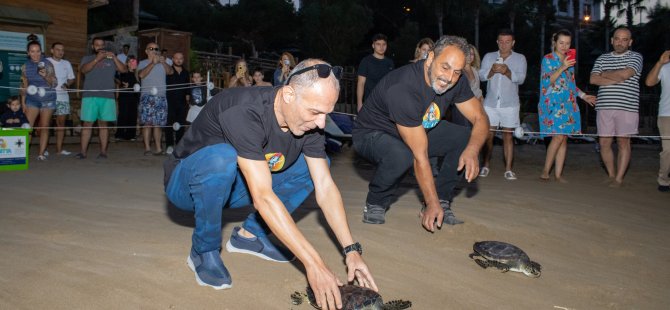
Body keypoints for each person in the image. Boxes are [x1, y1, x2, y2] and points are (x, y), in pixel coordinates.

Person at [163, 59, 377, 310]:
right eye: (315, 112)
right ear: (288, 94)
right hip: (187, 184)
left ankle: (251, 235)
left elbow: (325, 187)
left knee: (315, 167)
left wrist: (351, 250)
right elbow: (263, 196)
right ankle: (204, 249)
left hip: (234, 185)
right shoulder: (244, 110)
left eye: (326, 114)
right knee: (222, 158)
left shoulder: (309, 126)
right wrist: (314, 264)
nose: (321, 124)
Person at [352, 36, 489, 230]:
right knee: (403, 154)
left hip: (418, 127)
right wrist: (429, 200)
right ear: (431, 58)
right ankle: (376, 201)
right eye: (445, 67)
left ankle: (442, 200)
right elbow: (420, 155)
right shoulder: (403, 87)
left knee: (464, 138)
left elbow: (480, 117)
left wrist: (473, 149)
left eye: (457, 72)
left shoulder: (456, 81)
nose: (449, 78)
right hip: (372, 133)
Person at [538, 30, 597, 183]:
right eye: (561, 43)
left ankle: (558, 174)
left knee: (564, 139)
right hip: (552, 104)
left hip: (568, 104)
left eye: (568, 43)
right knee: (557, 137)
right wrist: (562, 67)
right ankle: (545, 171)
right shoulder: (548, 59)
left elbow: (571, 85)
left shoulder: (569, 61)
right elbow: (547, 81)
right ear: (555, 43)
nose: (564, 46)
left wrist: (584, 96)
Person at [589, 27, 643, 188]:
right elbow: (593, 79)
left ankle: (619, 178)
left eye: (624, 39)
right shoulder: (602, 58)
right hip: (604, 106)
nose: (620, 42)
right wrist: (616, 78)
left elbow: (625, 75)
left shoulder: (636, 57)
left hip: (627, 107)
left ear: (630, 42)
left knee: (623, 142)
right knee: (604, 143)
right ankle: (611, 175)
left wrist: (604, 74)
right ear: (612, 40)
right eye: (617, 38)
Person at [478, 29, 527, 180]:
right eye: (501, 41)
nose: (504, 44)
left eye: (507, 42)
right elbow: (481, 76)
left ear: (513, 43)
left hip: (510, 104)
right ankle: (485, 166)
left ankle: (508, 169)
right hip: (491, 102)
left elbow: (521, 79)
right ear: (497, 42)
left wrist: (507, 72)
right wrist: (492, 71)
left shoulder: (520, 58)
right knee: (488, 135)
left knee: (508, 136)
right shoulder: (489, 56)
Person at [78, 37, 127, 160]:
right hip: (90, 96)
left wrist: (115, 57)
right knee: (87, 124)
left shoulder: (111, 59)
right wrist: (96, 59)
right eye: (97, 45)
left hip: (107, 96)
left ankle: (103, 152)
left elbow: (124, 70)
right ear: (93, 47)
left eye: (101, 44)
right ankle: (83, 152)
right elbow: (83, 70)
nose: (99, 47)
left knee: (103, 125)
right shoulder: (87, 58)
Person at [21, 40, 57, 161]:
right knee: (27, 127)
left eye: (38, 51)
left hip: (48, 99)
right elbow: (23, 85)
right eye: (32, 51)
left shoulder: (47, 64)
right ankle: (23, 152)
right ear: (28, 53)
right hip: (32, 100)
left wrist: (46, 76)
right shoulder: (25, 66)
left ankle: (41, 153)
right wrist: (23, 102)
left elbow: (54, 83)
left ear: (41, 51)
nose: (36, 54)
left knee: (44, 126)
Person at [137, 42, 173, 156]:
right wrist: (152, 63)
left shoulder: (163, 63)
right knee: (147, 123)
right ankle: (147, 148)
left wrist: (163, 62)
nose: (154, 50)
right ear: (146, 51)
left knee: (158, 124)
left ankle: (158, 148)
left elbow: (170, 72)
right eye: (151, 48)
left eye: (156, 48)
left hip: (161, 97)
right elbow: (141, 75)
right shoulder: (142, 63)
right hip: (147, 96)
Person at [644, 49, 670, 192]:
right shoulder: (665, 67)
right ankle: (664, 180)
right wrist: (660, 63)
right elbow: (649, 82)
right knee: (668, 150)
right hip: (667, 114)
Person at [47, 42, 76, 155]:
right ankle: (43, 149)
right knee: (45, 123)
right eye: (58, 49)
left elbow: (71, 78)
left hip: (63, 97)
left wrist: (67, 84)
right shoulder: (46, 62)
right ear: (52, 50)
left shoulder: (66, 63)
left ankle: (59, 150)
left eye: (62, 50)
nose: (60, 52)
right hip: (48, 96)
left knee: (61, 123)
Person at [356, 33, 394, 112]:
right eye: (378, 44)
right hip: (369, 103)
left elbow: (391, 84)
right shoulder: (366, 61)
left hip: (385, 104)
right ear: (373, 45)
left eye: (384, 44)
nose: (381, 47)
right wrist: (359, 103)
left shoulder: (390, 63)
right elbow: (361, 83)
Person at [165, 52, 189, 155]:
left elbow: (188, 87)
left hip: (182, 102)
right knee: (169, 124)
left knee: (181, 124)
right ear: (173, 59)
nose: (178, 60)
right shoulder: (168, 70)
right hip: (170, 101)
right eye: (176, 58)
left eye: (181, 58)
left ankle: (179, 145)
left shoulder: (186, 72)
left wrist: (188, 100)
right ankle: (169, 145)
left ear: (183, 60)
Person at [114, 55, 139, 141]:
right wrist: (123, 84)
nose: (133, 63)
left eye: (135, 62)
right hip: (124, 97)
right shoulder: (124, 72)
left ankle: (131, 135)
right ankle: (119, 134)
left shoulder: (137, 74)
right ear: (127, 63)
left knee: (132, 116)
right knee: (123, 115)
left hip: (134, 98)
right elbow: (118, 80)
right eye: (131, 61)